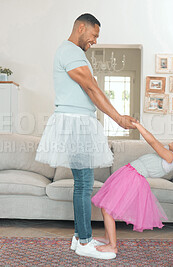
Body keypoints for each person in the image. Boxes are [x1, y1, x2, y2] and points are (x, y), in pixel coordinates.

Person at [35, 13, 137, 260]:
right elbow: (92, 88)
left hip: (78, 121)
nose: (95, 41)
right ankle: (84, 241)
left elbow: (90, 88)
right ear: (81, 28)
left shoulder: (73, 53)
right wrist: (119, 118)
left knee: (83, 183)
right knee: (83, 184)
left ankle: (78, 237)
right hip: (75, 123)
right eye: (94, 35)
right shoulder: (70, 51)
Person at [91, 121, 173, 254]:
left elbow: (153, 142)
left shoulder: (171, 157)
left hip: (131, 177)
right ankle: (107, 237)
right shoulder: (171, 155)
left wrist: (138, 126)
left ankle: (112, 246)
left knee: (107, 209)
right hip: (129, 173)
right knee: (106, 207)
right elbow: (161, 144)